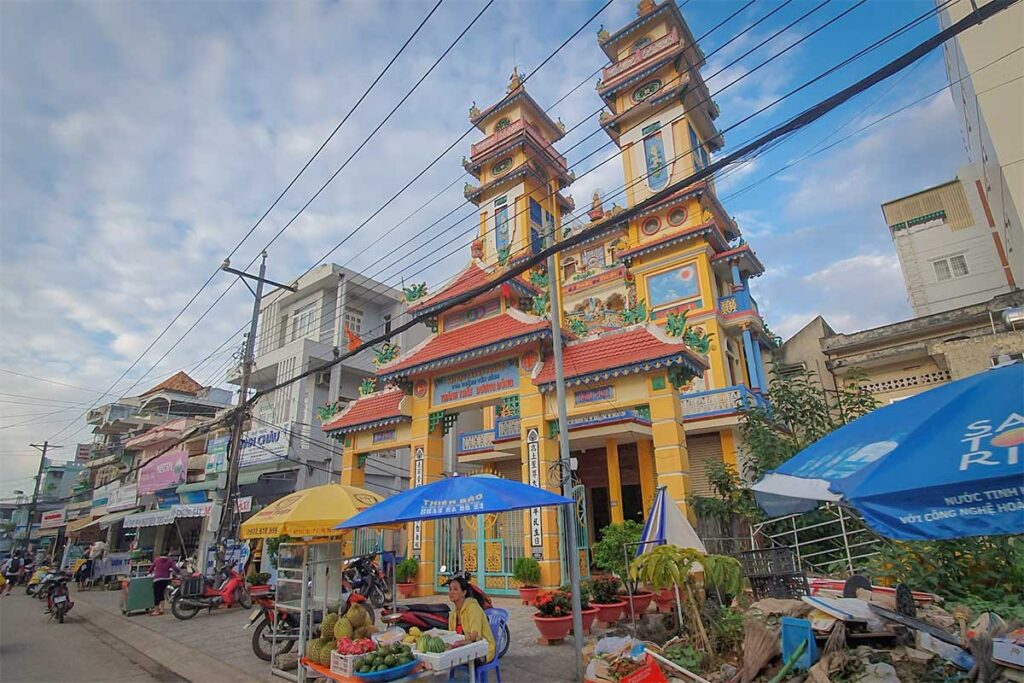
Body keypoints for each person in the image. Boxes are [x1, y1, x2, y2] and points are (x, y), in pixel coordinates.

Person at [446, 576, 496, 663]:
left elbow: (475, 636)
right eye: (450, 589)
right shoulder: (453, 614)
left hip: (482, 649)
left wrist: (460, 642)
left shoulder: (473, 608)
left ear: (464, 592)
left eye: (455, 589)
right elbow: (452, 636)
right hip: (463, 647)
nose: (451, 592)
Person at [149, 548, 178, 616]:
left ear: (160, 555)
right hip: (165, 579)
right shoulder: (170, 561)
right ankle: (162, 609)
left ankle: (156, 610)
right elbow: (176, 569)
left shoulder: (157, 560)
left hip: (157, 579)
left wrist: (150, 572)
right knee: (162, 593)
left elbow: (151, 569)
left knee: (156, 595)